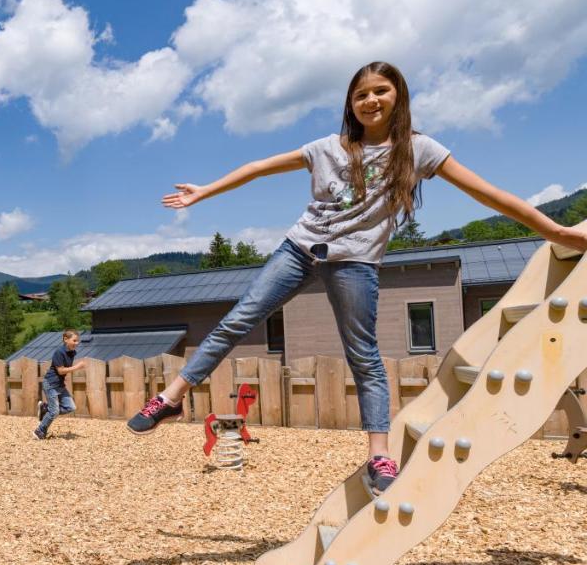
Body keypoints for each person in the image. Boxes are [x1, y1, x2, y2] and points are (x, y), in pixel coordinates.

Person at [125, 60, 587, 494]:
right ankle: (171, 397)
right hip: (300, 248)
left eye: (380, 91)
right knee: (239, 318)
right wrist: (206, 191)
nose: (370, 100)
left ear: (397, 96)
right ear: (351, 104)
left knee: (363, 354)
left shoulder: (419, 150)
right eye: (360, 94)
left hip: (355, 262)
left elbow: (490, 195)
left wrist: (555, 229)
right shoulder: (327, 147)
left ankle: (379, 456)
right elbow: (259, 167)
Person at [35, 330, 87, 440]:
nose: (77, 343)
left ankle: (45, 408)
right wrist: (77, 367)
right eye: (74, 340)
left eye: (78, 341)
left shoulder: (72, 352)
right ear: (65, 339)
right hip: (50, 384)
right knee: (54, 411)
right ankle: (39, 431)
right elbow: (61, 371)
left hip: (59, 385)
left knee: (71, 407)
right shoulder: (59, 352)